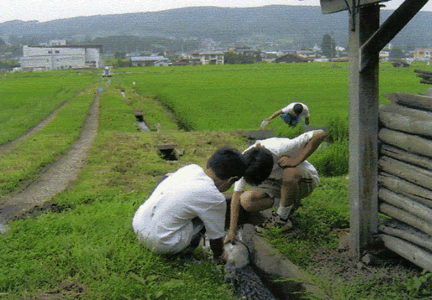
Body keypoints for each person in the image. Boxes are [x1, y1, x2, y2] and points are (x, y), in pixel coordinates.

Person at [132, 147, 247, 263]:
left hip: (138, 225)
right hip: (159, 243)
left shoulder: (190, 169)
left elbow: (165, 177)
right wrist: (220, 256)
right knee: (207, 218)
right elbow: (215, 238)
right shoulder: (215, 198)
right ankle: (185, 256)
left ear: (208, 164)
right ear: (232, 179)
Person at [225, 129, 327, 244]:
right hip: (277, 184)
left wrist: (296, 160)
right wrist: (232, 232)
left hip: (304, 181)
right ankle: (289, 204)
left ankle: (282, 219)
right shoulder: (245, 162)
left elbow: (320, 134)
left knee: (290, 171)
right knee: (246, 200)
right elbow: (236, 196)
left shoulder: (280, 148)